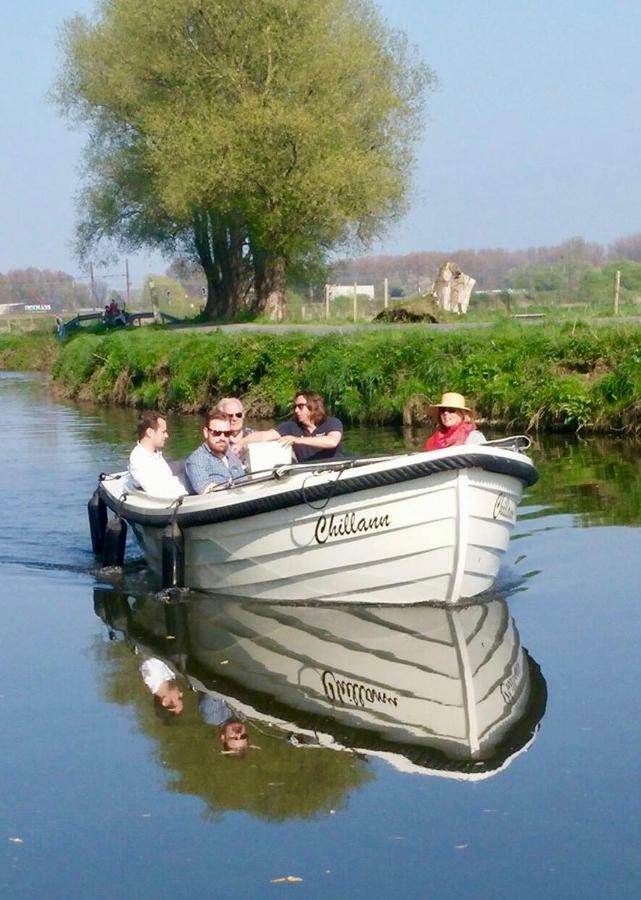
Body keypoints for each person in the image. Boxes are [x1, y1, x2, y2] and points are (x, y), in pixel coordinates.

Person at [239, 391, 344, 463]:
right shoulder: (291, 426)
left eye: (300, 406)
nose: (296, 410)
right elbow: (264, 436)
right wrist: (240, 443)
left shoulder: (332, 422)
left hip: (335, 470)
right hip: (309, 475)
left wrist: (297, 440)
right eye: (295, 407)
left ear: (313, 406)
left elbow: (332, 442)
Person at [128, 410, 188, 499]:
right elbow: (158, 492)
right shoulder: (139, 459)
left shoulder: (154, 453)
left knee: (189, 462)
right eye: (163, 432)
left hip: (177, 491)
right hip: (170, 502)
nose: (167, 435)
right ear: (150, 432)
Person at [185, 410, 246, 494]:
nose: (222, 438)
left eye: (227, 433)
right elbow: (205, 489)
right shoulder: (196, 460)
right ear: (206, 432)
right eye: (217, 433)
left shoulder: (232, 456)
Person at [216, 397, 253, 464]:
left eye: (238, 415)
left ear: (243, 416)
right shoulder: (216, 441)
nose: (235, 419)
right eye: (230, 415)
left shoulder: (253, 434)